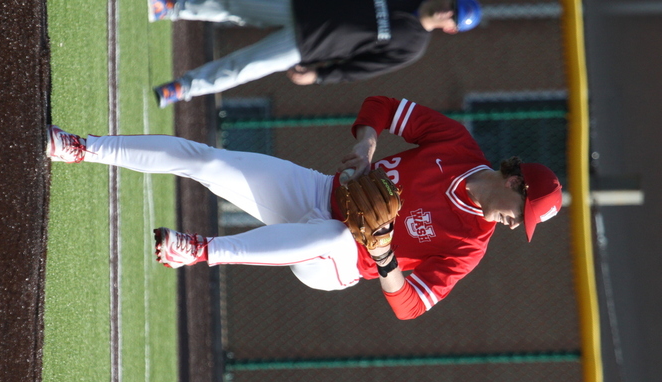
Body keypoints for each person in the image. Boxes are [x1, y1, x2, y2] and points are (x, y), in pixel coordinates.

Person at [46, 95, 563, 319]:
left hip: (335, 263)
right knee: (207, 161)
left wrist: (384, 260)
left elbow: (409, 307)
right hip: (318, 193)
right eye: (525, 209)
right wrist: (365, 146)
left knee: (340, 238)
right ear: (515, 178)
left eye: (526, 223)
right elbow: (379, 107)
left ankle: (199, 251)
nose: (518, 223)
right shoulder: (456, 145)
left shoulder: (470, 248)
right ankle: (80, 147)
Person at [150, 0, 482, 107]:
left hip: (309, 44)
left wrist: (319, 74)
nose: (447, 12)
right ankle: (170, 6)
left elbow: (361, 68)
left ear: (451, 29)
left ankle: (182, 88)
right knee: (231, 4)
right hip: (302, 5)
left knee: (243, 68)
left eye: (454, 17)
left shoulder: (413, 46)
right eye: (453, 5)